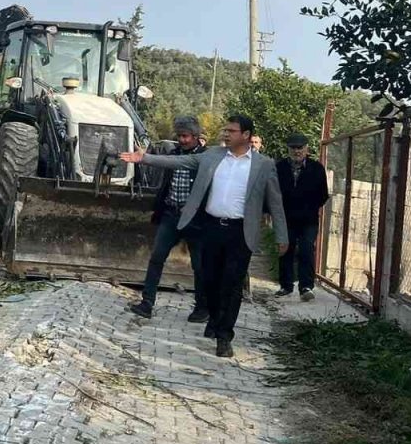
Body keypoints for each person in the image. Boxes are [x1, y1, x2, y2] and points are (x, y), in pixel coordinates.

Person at [120, 114, 289, 359]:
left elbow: (275, 202)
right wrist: (144, 158)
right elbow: (178, 162)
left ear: (246, 135)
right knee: (209, 279)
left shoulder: (264, 165)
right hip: (210, 227)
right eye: (225, 130)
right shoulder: (212, 156)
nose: (226, 134)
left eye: (231, 130)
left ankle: (224, 336)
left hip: (240, 232)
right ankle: (212, 317)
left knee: (232, 285)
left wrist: (281, 235)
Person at [128, 117, 207, 322]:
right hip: (171, 214)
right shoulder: (173, 155)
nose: (181, 140)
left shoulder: (205, 159)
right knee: (157, 257)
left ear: (196, 137)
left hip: (195, 219)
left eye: (185, 136)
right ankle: (147, 303)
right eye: (179, 136)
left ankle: (202, 307)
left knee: (199, 265)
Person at [275, 133, 329, 301]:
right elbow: (273, 192)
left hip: (308, 219)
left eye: (300, 148)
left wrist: (309, 207)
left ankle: (306, 286)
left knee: (306, 249)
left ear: (307, 149)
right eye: (293, 148)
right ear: (288, 149)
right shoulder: (280, 167)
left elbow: (323, 194)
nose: (297, 151)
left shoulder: (316, 168)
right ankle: (286, 285)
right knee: (286, 249)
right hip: (286, 217)